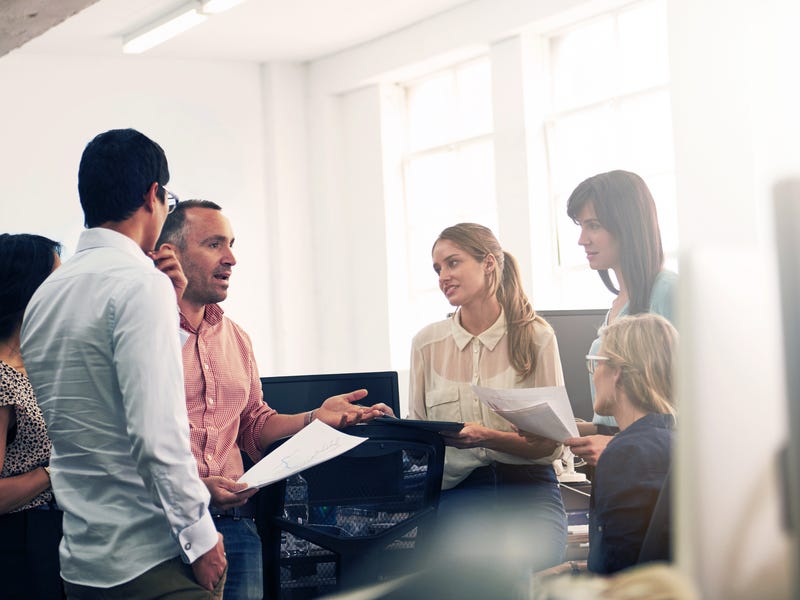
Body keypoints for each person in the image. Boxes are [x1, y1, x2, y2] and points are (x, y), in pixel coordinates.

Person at [20, 128, 227, 599]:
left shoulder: (47, 294)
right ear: (153, 195)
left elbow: (97, 402)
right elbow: (156, 435)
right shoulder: (139, 283)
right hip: (151, 559)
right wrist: (201, 539)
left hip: (83, 562)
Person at [155, 200, 394, 600]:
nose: (231, 258)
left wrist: (315, 418)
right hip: (167, 525)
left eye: (231, 244)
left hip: (237, 526)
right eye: (214, 244)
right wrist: (196, 488)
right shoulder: (146, 334)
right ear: (172, 253)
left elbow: (251, 424)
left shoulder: (235, 338)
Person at [409, 223, 568, 572]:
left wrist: (487, 437)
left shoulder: (537, 336)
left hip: (528, 488)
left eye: (453, 263)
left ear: (489, 264)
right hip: (460, 493)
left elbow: (551, 446)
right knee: (468, 574)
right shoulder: (426, 344)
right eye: (438, 269)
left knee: (530, 566)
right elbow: (421, 443)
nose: (443, 276)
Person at [563, 170, 677, 466]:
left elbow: (694, 411)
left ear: (628, 226)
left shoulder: (668, 292)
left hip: (651, 474)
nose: (581, 240)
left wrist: (617, 447)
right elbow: (616, 423)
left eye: (594, 226)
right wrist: (563, 431)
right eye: (581, 226)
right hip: (620, 468)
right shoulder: (617, 306)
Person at [583, 313, 676, 574]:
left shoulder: (624, 454)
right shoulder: (683, 442)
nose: (593, 376)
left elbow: (617, 574)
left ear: (616, 372)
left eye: (595, 364)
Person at [0, 233, 64, 599]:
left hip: (52, 536)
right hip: (18, 546)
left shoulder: (38, 368)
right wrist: (54, 473)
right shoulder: (3, 377)